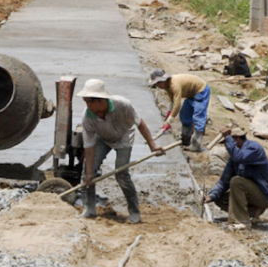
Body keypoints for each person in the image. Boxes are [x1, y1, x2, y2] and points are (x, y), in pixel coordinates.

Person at [77, 79, 164, 223]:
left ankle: (134, 212)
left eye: (90, 102)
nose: (88, 105)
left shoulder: (122, 105)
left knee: (121, 173)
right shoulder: (87, 116)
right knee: (87, 173)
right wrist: (90, 172)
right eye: (85, 102)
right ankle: (89, 208)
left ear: (101, 100)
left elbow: (140, 123)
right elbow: (89, 147)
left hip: (124, 138)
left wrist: (153, 145)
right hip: (103, 138)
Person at [205, 127, 268, 230]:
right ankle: (254, 212)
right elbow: (224, 182)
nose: (226, 146)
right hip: (251, 194)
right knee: (219, 198)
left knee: (237, 182)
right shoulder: (234, 157)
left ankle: (242, 221)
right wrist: (211, 196)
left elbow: (240, 157)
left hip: (265, 195)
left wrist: (228, 137)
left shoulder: (254, 148)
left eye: (227, 142)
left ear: (237, 139)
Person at [150, 69, 210, 152]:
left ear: (164, 79)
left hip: (201, 90)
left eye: (159, 83)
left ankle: (196, 145)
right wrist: (167, 120)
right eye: (157, 84)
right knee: (184, 115)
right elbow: (172, 102)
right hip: (191, 94)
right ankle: (186, 141)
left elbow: (177, 106)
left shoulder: (174, 85)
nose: (159, 86)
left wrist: (169, 121)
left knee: (198, 117)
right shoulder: (166, 86)